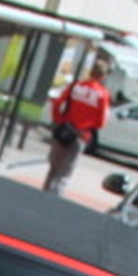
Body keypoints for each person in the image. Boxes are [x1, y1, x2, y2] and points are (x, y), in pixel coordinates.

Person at [46, 59, 111, 194]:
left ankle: (44, 193)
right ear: (103, 76)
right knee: (65, 172)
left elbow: (57, 103)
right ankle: (54, 198)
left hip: (64, 130)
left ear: (90, 72)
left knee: (53, 168)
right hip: (81, 135)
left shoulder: (76, 86)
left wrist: (60, 120)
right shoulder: (102, 94)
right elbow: (101, 123)